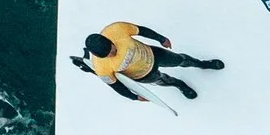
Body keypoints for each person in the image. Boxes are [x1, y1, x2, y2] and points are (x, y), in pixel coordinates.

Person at [73, 23, 222, 101]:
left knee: (181, 60)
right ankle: (180, 85)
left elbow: (141, 30)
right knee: (164, 80)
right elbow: (116, 86)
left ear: (109, 40)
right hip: (143, 75)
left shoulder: (116, 30)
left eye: (112, 49)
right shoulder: (101, 68)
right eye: (109, 55)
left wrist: (161, 38)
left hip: (153, 55)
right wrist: (134, 97)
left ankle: (202, 64)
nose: (114, 53)